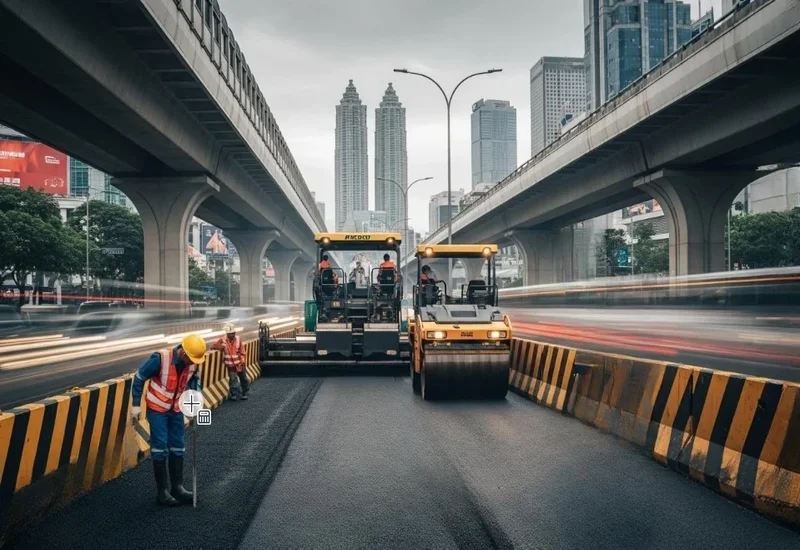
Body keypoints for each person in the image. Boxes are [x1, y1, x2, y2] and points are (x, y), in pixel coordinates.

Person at [131, 334, 207, 506]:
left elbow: (194, 383)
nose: (191, 363)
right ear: (182, 352)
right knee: (160, 448)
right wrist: (135, 405)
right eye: (190, 359)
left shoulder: (193, 363)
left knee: (178, 446)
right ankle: (162, 492)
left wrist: (195, 406)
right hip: (157, 409)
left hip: (176, 410)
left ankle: (177, 487)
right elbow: (139, 378)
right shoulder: (160, 359)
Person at [211, 323, 248, 401]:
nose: (232, 335)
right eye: (230, 334)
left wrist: (242, 361)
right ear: (227, 334)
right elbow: (213, 347)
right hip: (230, 365)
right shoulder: (223, 340)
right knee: (233, 379)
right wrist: (221, 347)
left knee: (243, 378)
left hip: (239, 364)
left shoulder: (238, 339)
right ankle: (234, 394)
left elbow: (242, 351)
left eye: (233, 333)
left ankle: (244, 392)